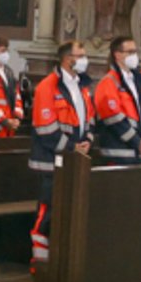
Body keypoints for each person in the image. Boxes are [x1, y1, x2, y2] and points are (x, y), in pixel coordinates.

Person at [28, 40, 92, 265]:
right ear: (67, 59)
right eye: (80, 55)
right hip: (50, 160)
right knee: (48, 212)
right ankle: (40, 264)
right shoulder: (48, 86)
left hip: (74, 161)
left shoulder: (82, 86)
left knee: (66, 212)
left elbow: (88, 120)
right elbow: (46, 129)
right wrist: (72, 147)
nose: (85, 59)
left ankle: (59, 261)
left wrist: (86, 142)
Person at [92, 36, 141, 165]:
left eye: (135, 52)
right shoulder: (108, 82)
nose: (134, 56)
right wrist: (137, 141)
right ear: (117, 55)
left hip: (139, 154)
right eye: (130, 52)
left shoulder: (137, 82)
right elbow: (113, 118)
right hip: (118, 153)